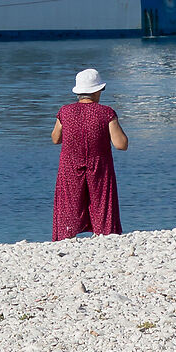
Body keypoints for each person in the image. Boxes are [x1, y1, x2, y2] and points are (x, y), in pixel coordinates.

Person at [51, 67, 127, 240]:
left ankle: (65, 235)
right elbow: (121, 144)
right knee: (101, 201)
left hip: (70, 165)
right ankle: (106, 233)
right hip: (99, 164)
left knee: (69, 202)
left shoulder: (65, 112)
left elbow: (55, 139)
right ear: (98, 90)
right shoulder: (106, 112)